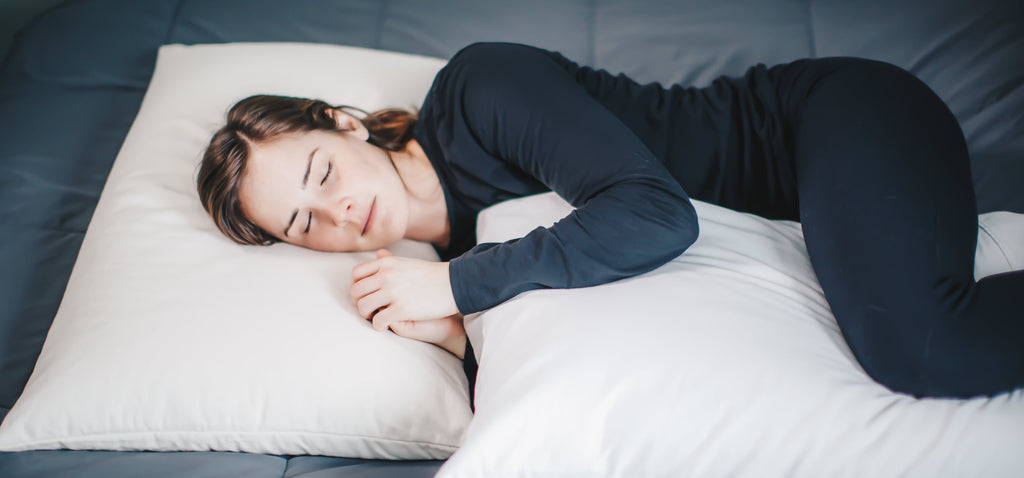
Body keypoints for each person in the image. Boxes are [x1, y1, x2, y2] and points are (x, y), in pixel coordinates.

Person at [197, 41, 1023, 402]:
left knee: (920, 348)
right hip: (810, 214)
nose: (339, 212)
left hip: (831, 123)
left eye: (321, 173)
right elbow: (557, 376)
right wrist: (459, 335)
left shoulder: (476, 91)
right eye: (307, 226)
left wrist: (453, 284)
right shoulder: (460, 250)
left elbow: (656, 218)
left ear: (344, 123)